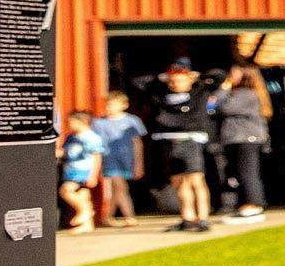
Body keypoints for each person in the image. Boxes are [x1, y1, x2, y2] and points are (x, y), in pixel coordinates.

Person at [143, 59, 216, 232]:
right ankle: (187, 218)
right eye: (173, 80)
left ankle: (203, 218)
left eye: (180, 80)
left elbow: (218, 76)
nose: (176, 83)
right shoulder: (161, 95)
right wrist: (162, 78)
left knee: (196, 180)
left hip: (190, 141)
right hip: (169, 142)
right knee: (179, 182)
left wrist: (196, 76)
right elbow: (140, 81)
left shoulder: (199, 92)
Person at [210, 59, 272, 220]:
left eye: (233, 73)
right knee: (237, 173)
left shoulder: (247, 94)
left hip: (246, 139)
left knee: (248, 172)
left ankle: (254, 203)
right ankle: (244, 203)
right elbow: (210, 108)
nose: (230, 76)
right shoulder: (236, 94)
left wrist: (223, 89)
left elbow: (220, 107)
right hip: (234, 139)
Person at [93, 87, 143, 228]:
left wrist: (139, 164)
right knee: (121, 186)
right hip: (109, 159)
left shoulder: (133, 121)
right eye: (108, 104)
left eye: (113, 104)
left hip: (126, 160)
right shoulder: (98, 123)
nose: (109, 107)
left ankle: (107, 217)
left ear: (124, 105)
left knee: (117, 190)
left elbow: (137, 143)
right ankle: (129, 216)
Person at [58, 113, 103, 230]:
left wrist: (93, 175)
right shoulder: (71, 137)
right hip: (70, 170)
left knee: (66, 190)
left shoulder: (92, 138)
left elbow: (97, 157)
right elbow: (66, 152)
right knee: (83, 195)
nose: (69, 125)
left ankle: (84, 211)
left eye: (71, 122)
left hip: (82, 170)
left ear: (83, 122)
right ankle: (86, 226)